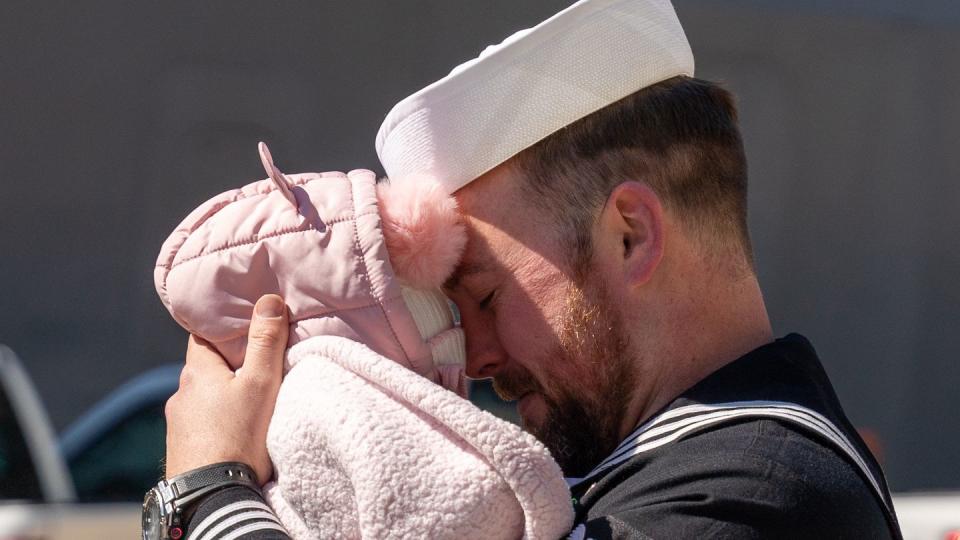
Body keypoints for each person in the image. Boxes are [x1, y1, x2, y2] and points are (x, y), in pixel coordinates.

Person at [159, 0, 903, 538]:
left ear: (631, 235)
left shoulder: (760, 497)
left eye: (484, 293)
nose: (476, 357)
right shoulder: (698, 470)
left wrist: (209, 497)